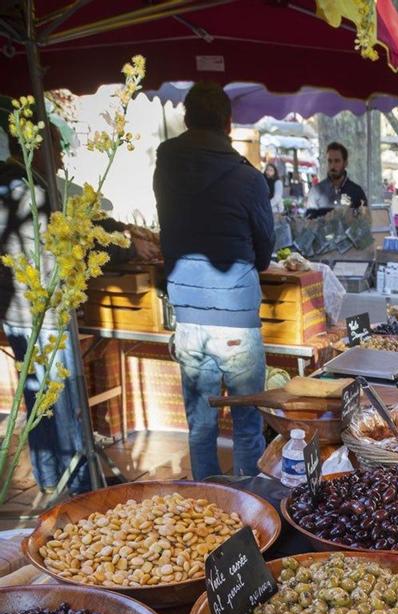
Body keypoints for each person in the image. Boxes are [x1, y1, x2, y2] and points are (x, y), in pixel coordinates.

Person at [154, 81, 274, 480]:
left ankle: (205, 504)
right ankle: (249, 507)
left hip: (187, 314)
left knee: (201, 425)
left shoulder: (166, 164)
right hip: (236, 313)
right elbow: (265, 251)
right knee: (246, 424)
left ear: (186, 119)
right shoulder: (250, 180)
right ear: (228, 124)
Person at [0, 121, 98, 496]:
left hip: (18, 312)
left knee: (38, 403)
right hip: (45, 315)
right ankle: (76, 489)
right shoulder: (28, 190)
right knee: (62, 404)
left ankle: (47, 480)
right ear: (34, 147)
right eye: (55, 148)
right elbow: (64, 243)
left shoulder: (12, 186)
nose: (59, 157)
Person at [305, 143, 367, 218]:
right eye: (330, 161)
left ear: (345, 163)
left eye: (337, 161)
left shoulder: (356, 192)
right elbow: (308, 223)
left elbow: (365, 223)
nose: (332, 166)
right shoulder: (316, 191)